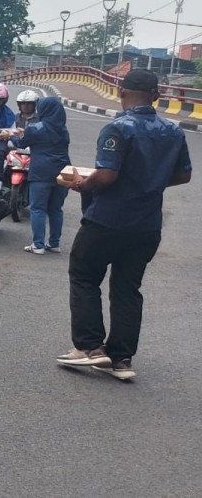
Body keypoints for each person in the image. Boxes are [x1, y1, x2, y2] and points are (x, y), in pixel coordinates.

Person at [54, 69, 191, 380]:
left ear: (121, 93)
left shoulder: (119, 128)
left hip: (107, 220)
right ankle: (122, 359)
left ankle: (90, 348)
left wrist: (82, 183)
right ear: (157, 96)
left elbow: (107, 176)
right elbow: (184, 175)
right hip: (146, 227)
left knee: (84, 276)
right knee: (128, 289)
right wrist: (149, 183)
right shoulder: (173, 131)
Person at [0, 97, 69, 255]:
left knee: (38, 208)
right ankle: (54, 243)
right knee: (56, 209)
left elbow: (21, 143)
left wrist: (8, 136)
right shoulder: (63, 129)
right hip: (62, 171)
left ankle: (38, 245)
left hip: (41, 172)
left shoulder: (36, 128)